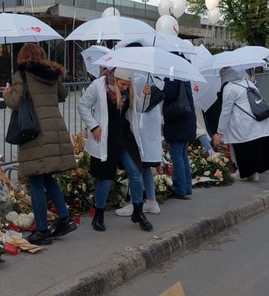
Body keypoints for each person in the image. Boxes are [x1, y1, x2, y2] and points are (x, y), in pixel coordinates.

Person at [3, 43, 78, 245]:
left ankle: (42, 231)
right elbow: (63, 95)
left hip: (35, 133)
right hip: (54, 129)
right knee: (47, 178)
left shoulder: (22, 74)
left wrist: (6, 94)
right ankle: (64, 219)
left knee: (36, 179)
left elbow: (16, 102)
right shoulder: (52, 72)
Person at [77, 67, 153, 232]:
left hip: (124, 136)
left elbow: (140, 107)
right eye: (123, 84)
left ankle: (138, 211)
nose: (125, 87)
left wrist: (146, 94)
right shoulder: (98, 86)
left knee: (136, 172)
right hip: (105, 137)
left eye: (128, 84)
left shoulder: (129, 90)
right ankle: (98, 214)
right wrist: (93, 126)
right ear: (115, 79)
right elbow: (82, 105)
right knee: (105, 179)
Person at [213, 67, 269, 181]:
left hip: (242, 124)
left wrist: (220, 132)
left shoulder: (229, 88)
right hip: (258, 121)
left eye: (222, 73)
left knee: (241, 149)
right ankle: (253, 173)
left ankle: (242, 172)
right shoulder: (247, 82)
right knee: (253, 149)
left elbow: (226, 111)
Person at [115, 71, 164, 217]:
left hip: (140, 126)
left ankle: (134, 202)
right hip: (149, 126)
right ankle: (151, 201)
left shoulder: (136, 78)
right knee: (144, 166)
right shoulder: (154, 78)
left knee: (135, 166)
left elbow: (135, 103)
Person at [162, 67, 197, 200]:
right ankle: (187, 187)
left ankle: (180, 189)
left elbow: (169, 94)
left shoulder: (173, 75)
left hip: (177, 121)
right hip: (187, 120)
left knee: (176, 154)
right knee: (182, 154)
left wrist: (161, 85)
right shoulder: (184, 74)